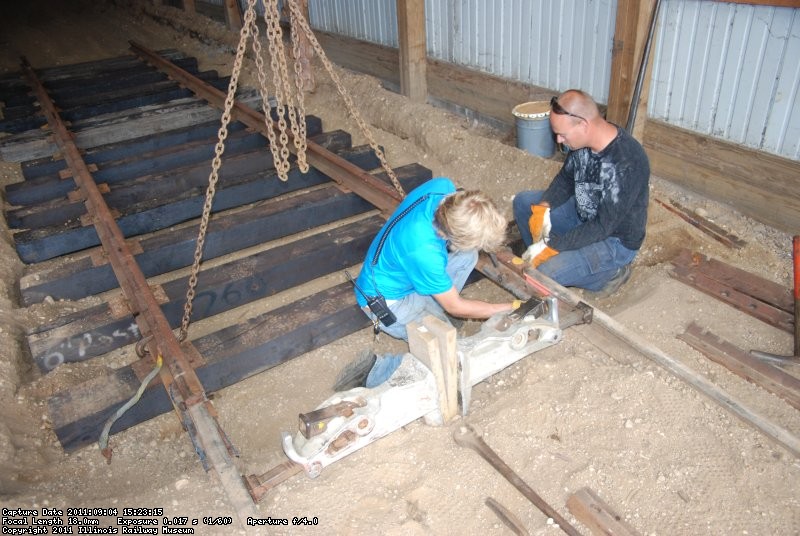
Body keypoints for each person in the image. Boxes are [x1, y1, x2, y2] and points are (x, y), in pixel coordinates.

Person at [512, 89, 650, 294]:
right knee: (524, 203)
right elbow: (566, 179)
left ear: (583, 125)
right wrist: (544, 206)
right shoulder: (581, 143)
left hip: (613, 240)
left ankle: (610, 274)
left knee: (546, 273)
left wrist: (553, 247)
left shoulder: (625, 163)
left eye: (562, 134)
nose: (558, 140)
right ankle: (538, 255)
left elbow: (602, 227)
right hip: (581, 215)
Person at [353, 177, 517, 341]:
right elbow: (455, 307)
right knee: (447, 345)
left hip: (405, 268)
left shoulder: (443, 187)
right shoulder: (425, 251)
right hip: (389, 300)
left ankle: (436, 307)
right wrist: (511, 308)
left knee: (468, 256)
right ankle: (388, 362)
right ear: (448, 235)